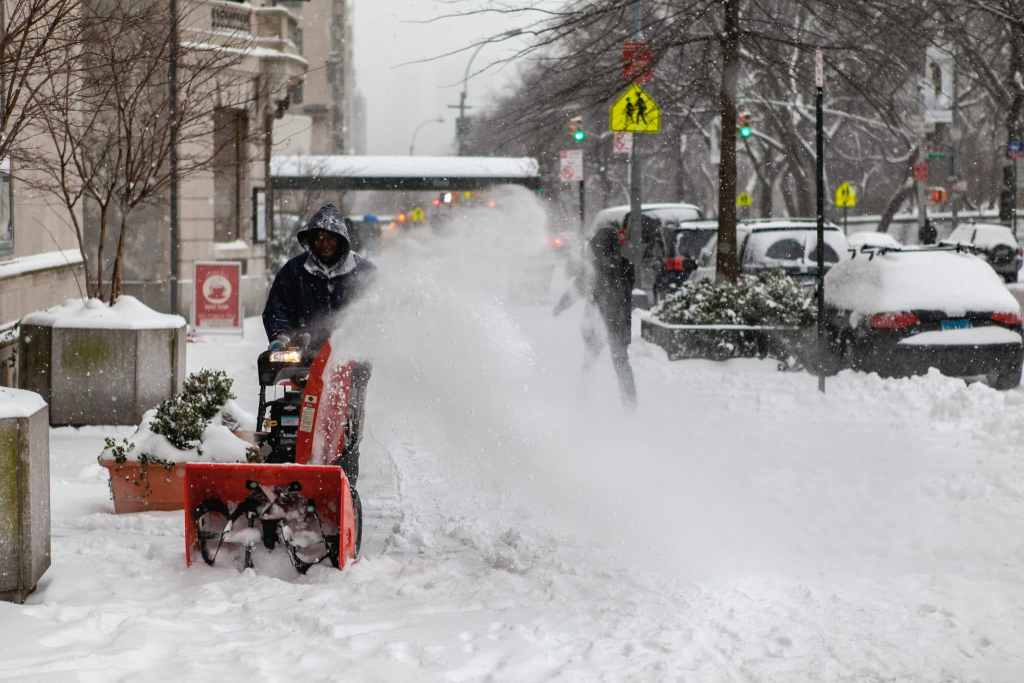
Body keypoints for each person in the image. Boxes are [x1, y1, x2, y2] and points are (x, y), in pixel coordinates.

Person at [262, 203, 376, 352]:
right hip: (301, 354)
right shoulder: (294, 270)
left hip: (349, 354)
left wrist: (365, 345)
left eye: (331, 239)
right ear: (311, 241)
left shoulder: (362, 271)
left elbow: (376, 310)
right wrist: (281, 337)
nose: (325, 244)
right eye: (319, 238)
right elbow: (277, 308)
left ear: (341, 240)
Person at [553, 226, 637, 409]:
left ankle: (582, 399)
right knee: (621, 364)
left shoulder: (595, 268)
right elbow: (624, 292)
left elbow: (577, 289)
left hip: (600, 321)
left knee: (589, 363)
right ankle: (630, 405)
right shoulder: (626, 267)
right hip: (620, 322)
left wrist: (561, 306)